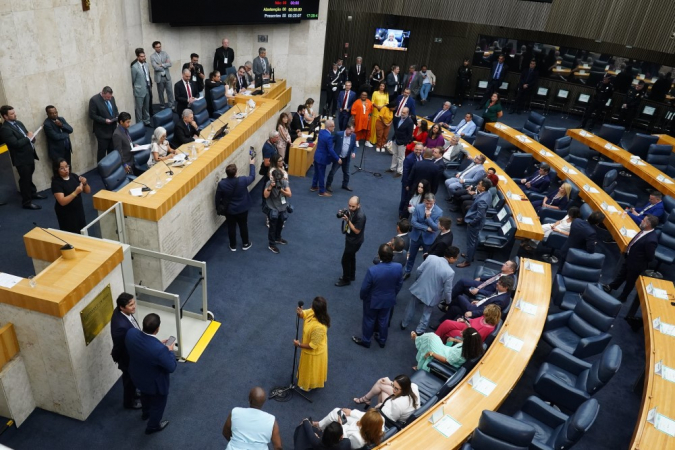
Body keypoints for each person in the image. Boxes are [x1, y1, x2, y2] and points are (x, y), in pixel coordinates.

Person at [125, 313, 177, 435]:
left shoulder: (131, 333)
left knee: (144, 395)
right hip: (155, 383)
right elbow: (172, 367)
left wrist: (158, 343)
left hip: (137, 376)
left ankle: (145, 413)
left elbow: (144, 346)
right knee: (159, 404)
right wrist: (169, 351)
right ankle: (153, 426)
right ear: (157, 329)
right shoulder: (160, 350)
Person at [352, 244, 403, 348]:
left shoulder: (372, 270)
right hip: (389, 300)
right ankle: (382, 340)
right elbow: (399, 284)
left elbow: (364, 288)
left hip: (372, 301)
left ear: (379, 256)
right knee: (384, 319)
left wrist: (363, 297)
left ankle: (366, 341)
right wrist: (393, 294)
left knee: (369, 319)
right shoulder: (398, 267)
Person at [401, 246, 459, 334]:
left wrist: (418, 281)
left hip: (419, 287)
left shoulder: (431, 257)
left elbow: (419, 270)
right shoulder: (450, 272)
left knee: (411, 306)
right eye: (456, 258)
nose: (456, 260)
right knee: (426, 313)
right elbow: (448, 290)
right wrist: (448, 301)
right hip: (432, 295)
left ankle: (404, 323)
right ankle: (420, 330)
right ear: (451, 258)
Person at [603, 214, 659, 304]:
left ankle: (623, 297)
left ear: (648, 224)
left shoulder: (651, 240)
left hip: (636, 264)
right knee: (622, 274)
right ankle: (611, 286)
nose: (641, 221)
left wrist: (637, 259)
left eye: (644, 220)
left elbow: (650, 257)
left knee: (630, 281)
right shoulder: (644, 230)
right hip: (629, 258)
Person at [110, 293, 142, 411]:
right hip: (127, 359)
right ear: (122, 307)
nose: (134, 307)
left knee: (132, 379)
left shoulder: (124, 313)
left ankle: (133, 394)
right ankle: (129, 402)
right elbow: (119, 347)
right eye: (130, 305)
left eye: (133, 303)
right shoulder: (120, 326)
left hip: (131, 355)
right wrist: (118, 358)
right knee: (129, 380)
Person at [216, 156, 256, 252]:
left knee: (231, 227)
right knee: (243, 225)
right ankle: (245, 243)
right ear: (236, 172)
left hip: (229, 210)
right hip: (242, 208)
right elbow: (252, 176)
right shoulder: (242, 180)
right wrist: (252, 164)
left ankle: (233, 245)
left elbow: (217, 197)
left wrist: (218, 208)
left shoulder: (222, 184)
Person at [295, 297, 331, 391]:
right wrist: (300, 313)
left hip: (314, 353)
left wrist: (299, 344)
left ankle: (310, 385)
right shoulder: (313, 312)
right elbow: (304, 314)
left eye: (313, 305)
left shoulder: (319, 327)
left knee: (311, 370)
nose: (310, 306)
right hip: (308, 348)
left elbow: (312, 346)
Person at [411, 326, 483, 372]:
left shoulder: (460, 354)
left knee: (430, 339)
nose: (461, 333)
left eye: (462, 335)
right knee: (431, 337)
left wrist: (431, 353)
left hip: (443, 355)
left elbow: (446, 361)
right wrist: (455, 340)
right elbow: (463, 343)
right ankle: (417, 339)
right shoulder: (473, 346)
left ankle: (416, 339)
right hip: (446, 350)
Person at [457, 179, 493, 268]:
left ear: (483, 187)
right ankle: (470, 255)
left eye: (479, 184)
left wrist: (471, 223)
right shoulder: (487, 193)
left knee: (471, 243)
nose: (477, 185)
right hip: (478, 223)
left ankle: (467, 261)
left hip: (475, 223)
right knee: (474, 240)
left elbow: (479, 215)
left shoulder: (482, 200)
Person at [404, 193, 443, 278]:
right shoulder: (418, 207)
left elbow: (436, 228)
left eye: (431, 203)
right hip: (416, 237)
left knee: (427, 259)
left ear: (434, 201)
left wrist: (428, 218)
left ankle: (424, 275)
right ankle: (407, 271)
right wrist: (427, 228)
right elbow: (413, 222)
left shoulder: (439, 212)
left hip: (428, 240)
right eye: (427, 203)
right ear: (424, 201)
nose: (429, 205)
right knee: (411, 256)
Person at [353, 374, 419, 423]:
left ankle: (377, 411)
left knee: (382, 392)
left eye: (396, 388)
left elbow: (392, 418)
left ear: (404, 389)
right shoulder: (413, 386)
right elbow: (398, 388)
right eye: (393, 386)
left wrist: (381, 405)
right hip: (401, 405)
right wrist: (390, 383)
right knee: (380, 382)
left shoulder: (397, 404)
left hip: (394, 415)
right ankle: (366, 399)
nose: (393, 390)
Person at [442, 276, 513, 321]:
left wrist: (472, 313)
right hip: (478, 305)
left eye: (499, 283)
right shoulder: (502, 292)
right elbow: (490, 297)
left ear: (505, 287)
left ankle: (447, 304)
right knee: (455, 309)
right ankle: (441, 323)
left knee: (459, 297)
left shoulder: (501, 301)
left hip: (475, 311)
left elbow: (488, 312)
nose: (497, 284)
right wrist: (479, 301)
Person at [51, 159, 90, 232]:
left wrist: (85, 183)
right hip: (66, 214)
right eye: (62, 168)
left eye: (67, 166)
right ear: (57, 170)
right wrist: (75, 192)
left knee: (82, 230)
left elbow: (87, 191)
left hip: (78, 210)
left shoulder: (73, 176)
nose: (66, 169)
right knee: (71, 232)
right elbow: (62, 201)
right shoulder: (56, 183)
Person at [313, 409, 383, 449]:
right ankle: (319, 425)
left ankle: (319, 427)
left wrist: (341, 425)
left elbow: (346, 442)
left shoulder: (358, 439)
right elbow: (363, 415)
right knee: (337, 411)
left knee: (337, 419)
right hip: (356, 426)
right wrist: (351, 413)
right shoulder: (379, 420)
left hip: (346, 434)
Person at [336, 196, 367, 286]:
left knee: (345, 260)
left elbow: (357, 230)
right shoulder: (353, 211)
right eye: (349, 205)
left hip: (354, 242)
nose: (350, 208)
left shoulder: (360, 216)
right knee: (351, 257)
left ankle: (346, 280)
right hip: (351, 239)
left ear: (358, 205)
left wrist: (347, 221)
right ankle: (351, 275)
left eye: (353, 206)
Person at [435, 304, 501, 344]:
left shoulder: (487, 328)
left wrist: (468, 327)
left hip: (467, 334)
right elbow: (473, 320)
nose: (484, 313)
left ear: (490, 315)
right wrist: (464, 320)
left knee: (451, 332)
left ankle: (437, 343)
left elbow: (474, 338)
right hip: (466, 325)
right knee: (447, 323)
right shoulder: (485, 317)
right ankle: (434, 337)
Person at [264, 167, 292, 254]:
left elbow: (289, 194)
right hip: (273, 208)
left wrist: (281, 190)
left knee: (280, 224)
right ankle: (271, 244)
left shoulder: (284, 182)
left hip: (282, 208)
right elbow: (265, 195)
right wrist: (270, 187)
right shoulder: (269, 183)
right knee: (272, 227)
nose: (278, 180)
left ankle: (278, 238)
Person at [89, 86, 119, 162]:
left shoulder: (112, 98)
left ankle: (111, 166)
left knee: (112, 150)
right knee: (102, 152)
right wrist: (104, 120)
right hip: (102, 131)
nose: (109, 99)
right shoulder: (94, 100)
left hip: (113, 129)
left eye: (110, 97)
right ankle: (101, 169)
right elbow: (92, 115)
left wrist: (117, 116)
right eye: (108, 97)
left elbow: (115, 109)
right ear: (103, 93)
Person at [311, 119, 339, 197]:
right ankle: (322, 191)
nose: (334, 127)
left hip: (317, 156)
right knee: (321, 174)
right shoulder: (329, 137)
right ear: (329, 127)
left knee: (316, 172)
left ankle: (314, 186)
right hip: (322, 158)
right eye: (333, 126)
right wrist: (337, 158)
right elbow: (330, 150)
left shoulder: (321, 132)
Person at [326, 124, 356, 193]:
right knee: (333, 172)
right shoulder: (339, 134)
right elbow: (331, 141)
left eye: (352, 132)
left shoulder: (353, 136)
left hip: (346, 158)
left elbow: (354, 146)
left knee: (346, 173)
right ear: (347, 129)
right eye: (350, 131)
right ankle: (328, 185)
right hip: (338, 158)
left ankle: (345, 185)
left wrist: (354, 152)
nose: (351, 133)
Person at [388, 107, 414, 176]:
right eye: (402, 112)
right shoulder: (398, 118)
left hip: (402, 142)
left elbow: (410, 134)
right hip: (395, 139)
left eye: (404, 113)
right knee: (394, 154)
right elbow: (396, 129)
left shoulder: (410, 122)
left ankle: (399, 171)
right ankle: (392, 168)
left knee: (401, 157)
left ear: (407, 113)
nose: (402, 113)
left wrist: (405, 143)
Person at [150, 41, 174, 110]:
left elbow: (170, 64)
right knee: (160, 93)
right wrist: (164, 65)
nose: (159, 48)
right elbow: (155, 67)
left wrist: (161, 65)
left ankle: (172, 106)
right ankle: (162, 106)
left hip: (167, 76)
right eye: (157, 47)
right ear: (154, 48)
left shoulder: (165, 53)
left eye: (160, 46)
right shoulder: (152, 56)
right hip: (159, 77)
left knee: (170, 91)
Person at [130, 48, 152, 126]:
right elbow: (133, 79)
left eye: (144, 56)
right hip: (139, 90)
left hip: (147, 88)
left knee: (146, 106)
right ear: (138, 57)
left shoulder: (146, 64)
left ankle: (147, 121)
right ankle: (139, 124)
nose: (143, 58)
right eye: (141, 56)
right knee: (139, 108)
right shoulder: (134, 67)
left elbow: (147, 76)